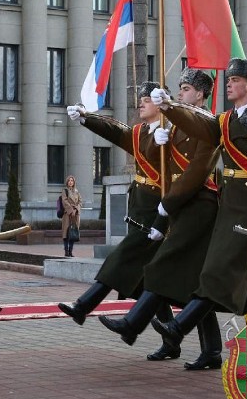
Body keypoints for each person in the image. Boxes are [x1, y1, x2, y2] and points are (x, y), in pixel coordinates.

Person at [148, 58, 247, 351]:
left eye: (235, 81)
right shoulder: (225, 121)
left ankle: (178, 327)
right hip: (229, 210)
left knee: (215, 273)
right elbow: (199, 125)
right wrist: (170, 108)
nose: (229, 84)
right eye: (229, 80)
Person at [98, 68, 223, 369]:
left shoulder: (209, 123)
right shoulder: (176, 122)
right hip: (180, 205)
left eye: (187, 89)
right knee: (195, 283)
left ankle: (133, 324)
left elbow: (195, 173)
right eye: (180, 87)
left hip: (198, 203)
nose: (181, 92)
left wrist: (167, 205)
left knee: (161, 266)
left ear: (202, 95)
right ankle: (210, 350)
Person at [60, 82, 176, 359]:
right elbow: (115, 130)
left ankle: (83, 307)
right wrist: (87, 117)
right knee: (152, 284)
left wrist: (169, 139)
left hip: (158, 214)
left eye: (147, 99)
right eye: (141, 99)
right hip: (140, 211)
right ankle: (170, 340)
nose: (141, 103)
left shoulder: (173, 133)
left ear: (161, 103)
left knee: (119, 259)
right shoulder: (140, 133)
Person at [61, 175, 82, 257]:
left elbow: (80, 202)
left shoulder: (77, 191)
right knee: (66, 233)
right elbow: (64, 202)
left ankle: (71, 251)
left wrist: (76, 209)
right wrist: (71, 210)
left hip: (75, 215)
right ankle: (66, 251)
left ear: (74, 182)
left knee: (73, 233)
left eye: (72, 181)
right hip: (67, 214)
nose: (70, 182)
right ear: (67, 182)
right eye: (69, 180)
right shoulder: (65, 191)